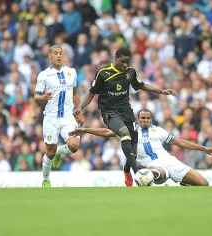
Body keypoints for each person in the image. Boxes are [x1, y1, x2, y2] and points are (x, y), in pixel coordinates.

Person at [74, 47, 176, 187]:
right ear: (115, 58)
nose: (125, 65)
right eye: (122, 62)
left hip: (126, 111)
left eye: (127, 62)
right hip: (109, 111)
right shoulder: (103, 73)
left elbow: (140, 85)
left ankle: (127, 170)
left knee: (134, 148)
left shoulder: (130, 72)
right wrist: (80, 107)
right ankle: (137, 172)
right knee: (124, 133)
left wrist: (161, 91)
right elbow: (91, 93)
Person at [70, 109, 212, 186]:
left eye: (148, 118)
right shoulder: (129, 130)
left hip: (171, 162)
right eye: (143, 118)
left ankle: (182, 181)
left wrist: (203, 149)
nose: (145, 120)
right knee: (157, 172)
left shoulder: (159, 131)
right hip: (153, 166)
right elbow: (107, 132)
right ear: (138, 119)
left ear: (151, 119)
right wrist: (85, 130)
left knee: (203, 183)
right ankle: (147, 175)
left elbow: (180, 142)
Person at [34, 45, 84, 187]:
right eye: (55, 53)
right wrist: (43, 96)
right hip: (51, 118)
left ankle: (59, 153)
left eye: (61, 53)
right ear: (49, 55)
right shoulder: (44, 75)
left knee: (74, 146)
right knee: (50, 150)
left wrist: (79, 112)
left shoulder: (71, 72)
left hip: (68, 117)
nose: (58, 56)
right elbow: (36, 97)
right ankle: (45, 178)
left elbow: (74, 93)